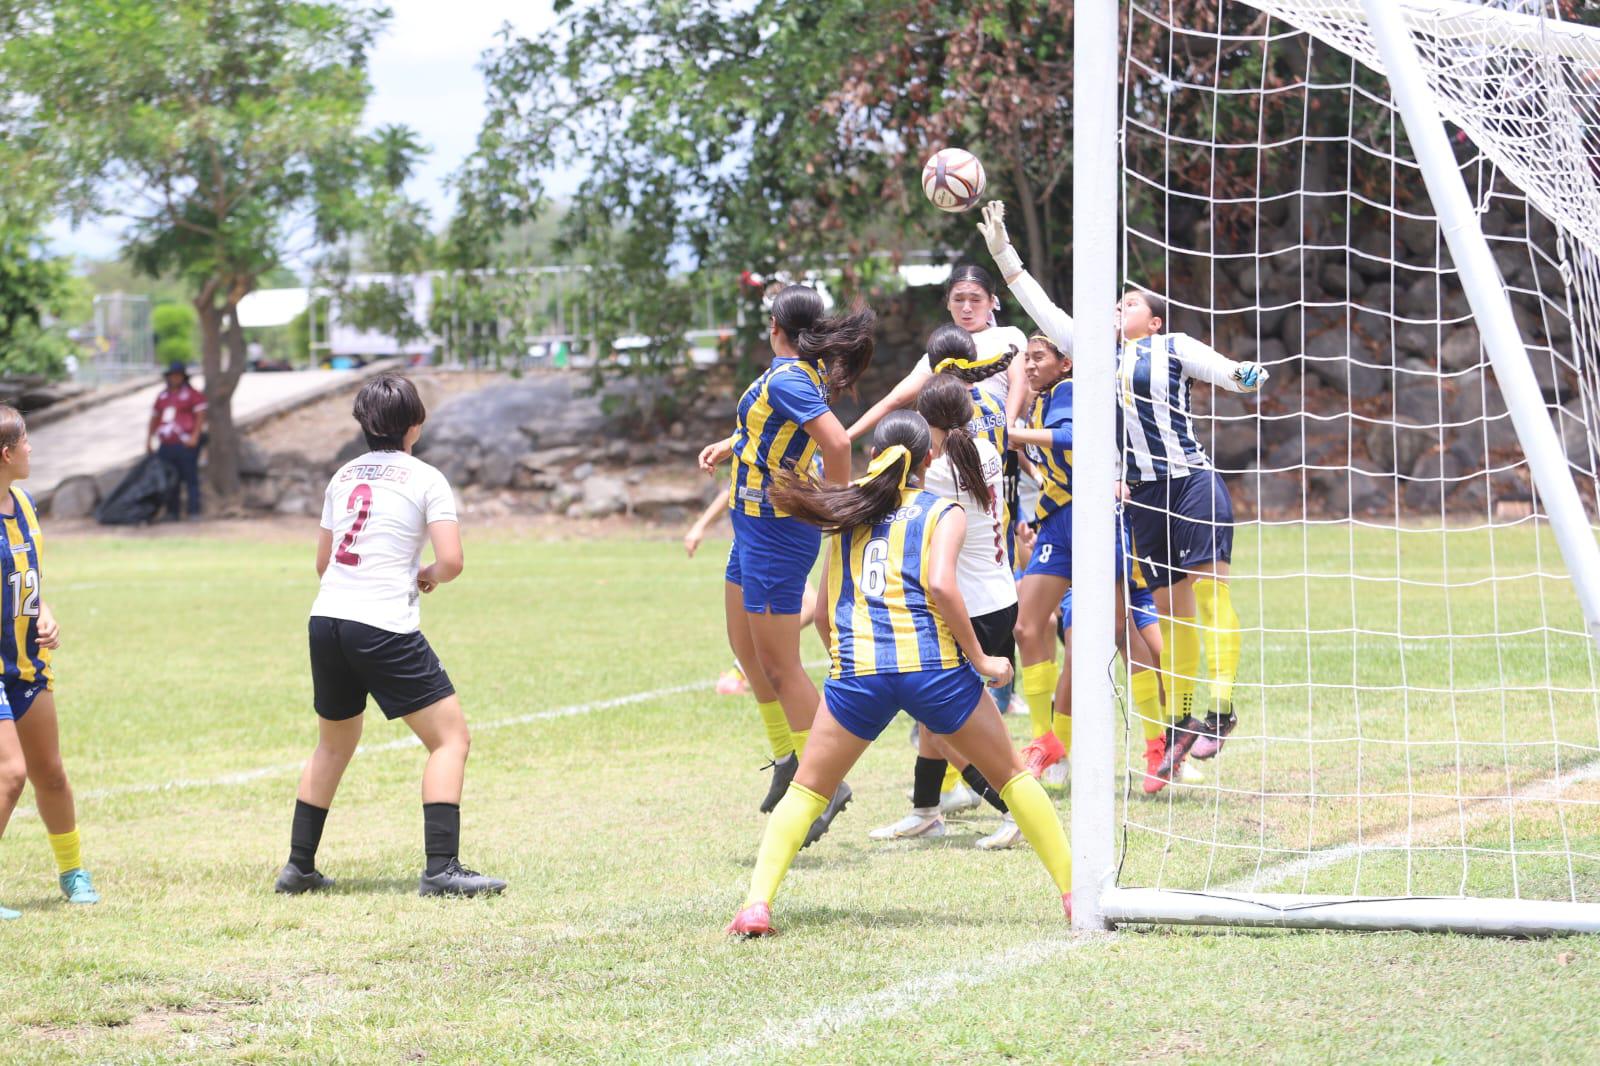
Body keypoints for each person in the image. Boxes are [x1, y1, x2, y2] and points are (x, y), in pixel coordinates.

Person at [725, 412, 1073, 937]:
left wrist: (846, 665)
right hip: (933, 670)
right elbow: (942, 585)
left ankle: (755, 905)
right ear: (928, 459)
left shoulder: (845, 513)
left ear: (873, 456)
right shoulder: (942, 511)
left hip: (859, 672)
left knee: (807, 790)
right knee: (1013, 778)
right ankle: (1073, 896)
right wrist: (981, 660)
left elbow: (822, 613)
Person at [978, 200, 1268, 782]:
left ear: (1154, 321)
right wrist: (1003, 255)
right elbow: (1039, 305)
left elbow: (1227, 371)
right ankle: (1181, 724)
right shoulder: (1091, 353)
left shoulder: (1174, 346)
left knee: (1205, 600)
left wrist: (1247, 375)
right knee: (1167, 616)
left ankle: (1221, 707)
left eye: (1130, 303)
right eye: (1116, 303)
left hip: (1191, 481)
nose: (1119, 308)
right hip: (1139, 499)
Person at [276, 374, 504, 898]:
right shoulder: (426, 478)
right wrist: (427, 574)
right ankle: (442, 869)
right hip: (381, 624)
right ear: (415, 425)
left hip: (327, 619)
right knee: (450, 739)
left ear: (362, 423)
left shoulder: (342, 477)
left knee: (332, 746)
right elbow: (452, 561)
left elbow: (322, 562)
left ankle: (298, 868)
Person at [697, 286, 872, 841]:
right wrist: (733, 444)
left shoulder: (791, 376)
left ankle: (825, 781)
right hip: (750, 526)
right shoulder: (788, 373)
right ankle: (786, 758)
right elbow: (780, 427)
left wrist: (840, 511)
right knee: (746, 652)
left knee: (781, 667)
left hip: (776, 532)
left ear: (776, 324)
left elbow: (837, 444)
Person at [867, 363, 1022, 849]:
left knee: (951, 724)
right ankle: (926, 809)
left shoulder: (936, 470)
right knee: (931, 721)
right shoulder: (982, 450)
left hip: (969, 607)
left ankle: (1014, 807)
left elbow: (885, 498)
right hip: (1001, 595)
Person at [0, 407, 99, 915]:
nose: (32, 450)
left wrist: (45, 613)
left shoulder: (24, 502)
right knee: (10, 774)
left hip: (27, 667)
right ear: (6, 453)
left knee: (50, 773)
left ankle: (73, 872)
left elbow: (28, 580)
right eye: (26, 442)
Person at [683, 495, 820, 697]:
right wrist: (700, 525)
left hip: (789, 538)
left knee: (810, 611)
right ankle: (742, 667)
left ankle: (747, 664)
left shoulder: (814, 464)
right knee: (770, 654)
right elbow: (738, 484)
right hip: (766, 535)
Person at [147, 360, 206, 520]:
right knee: (171, 479)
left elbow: (201, 415)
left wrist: (195, 436)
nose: (175, 379)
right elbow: (155, 417)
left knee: (190, 478)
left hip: (185, 444)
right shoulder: (163, 396)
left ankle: (194, 511)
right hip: (166, 444)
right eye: (172, 376)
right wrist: (149, 440)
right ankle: (172, 512)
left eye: (178, 376)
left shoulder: (193, 395)